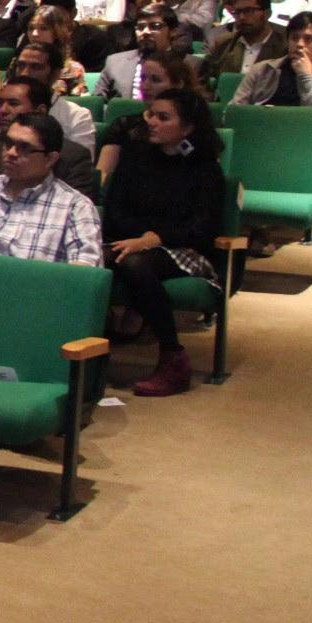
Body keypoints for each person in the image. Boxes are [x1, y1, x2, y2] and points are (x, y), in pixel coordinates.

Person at [94, 89, 228, 396]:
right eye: (150, 114)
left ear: (188, 127)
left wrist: (154, 238)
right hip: (131, 240)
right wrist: (138, 237)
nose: (152, 122)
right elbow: (114, 207)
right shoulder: (136, 156)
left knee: (134, 263)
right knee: (91, 258)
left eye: (163, 117)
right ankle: (85, 360)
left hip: (185, 249)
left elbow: (202, 228)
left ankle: (173, 357)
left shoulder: (205, 169)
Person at [0, 112, 104, 266]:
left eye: (24, 148)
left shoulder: (77, 207)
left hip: (40, 290)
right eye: (8, 144)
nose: (11, 153)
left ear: (50, 159)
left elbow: (84, 269)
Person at [0, 76, 102, 201]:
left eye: (13, 104)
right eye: (0, 103)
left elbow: (78, 211)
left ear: (40, 111)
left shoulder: (72, 157)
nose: (3, 110)